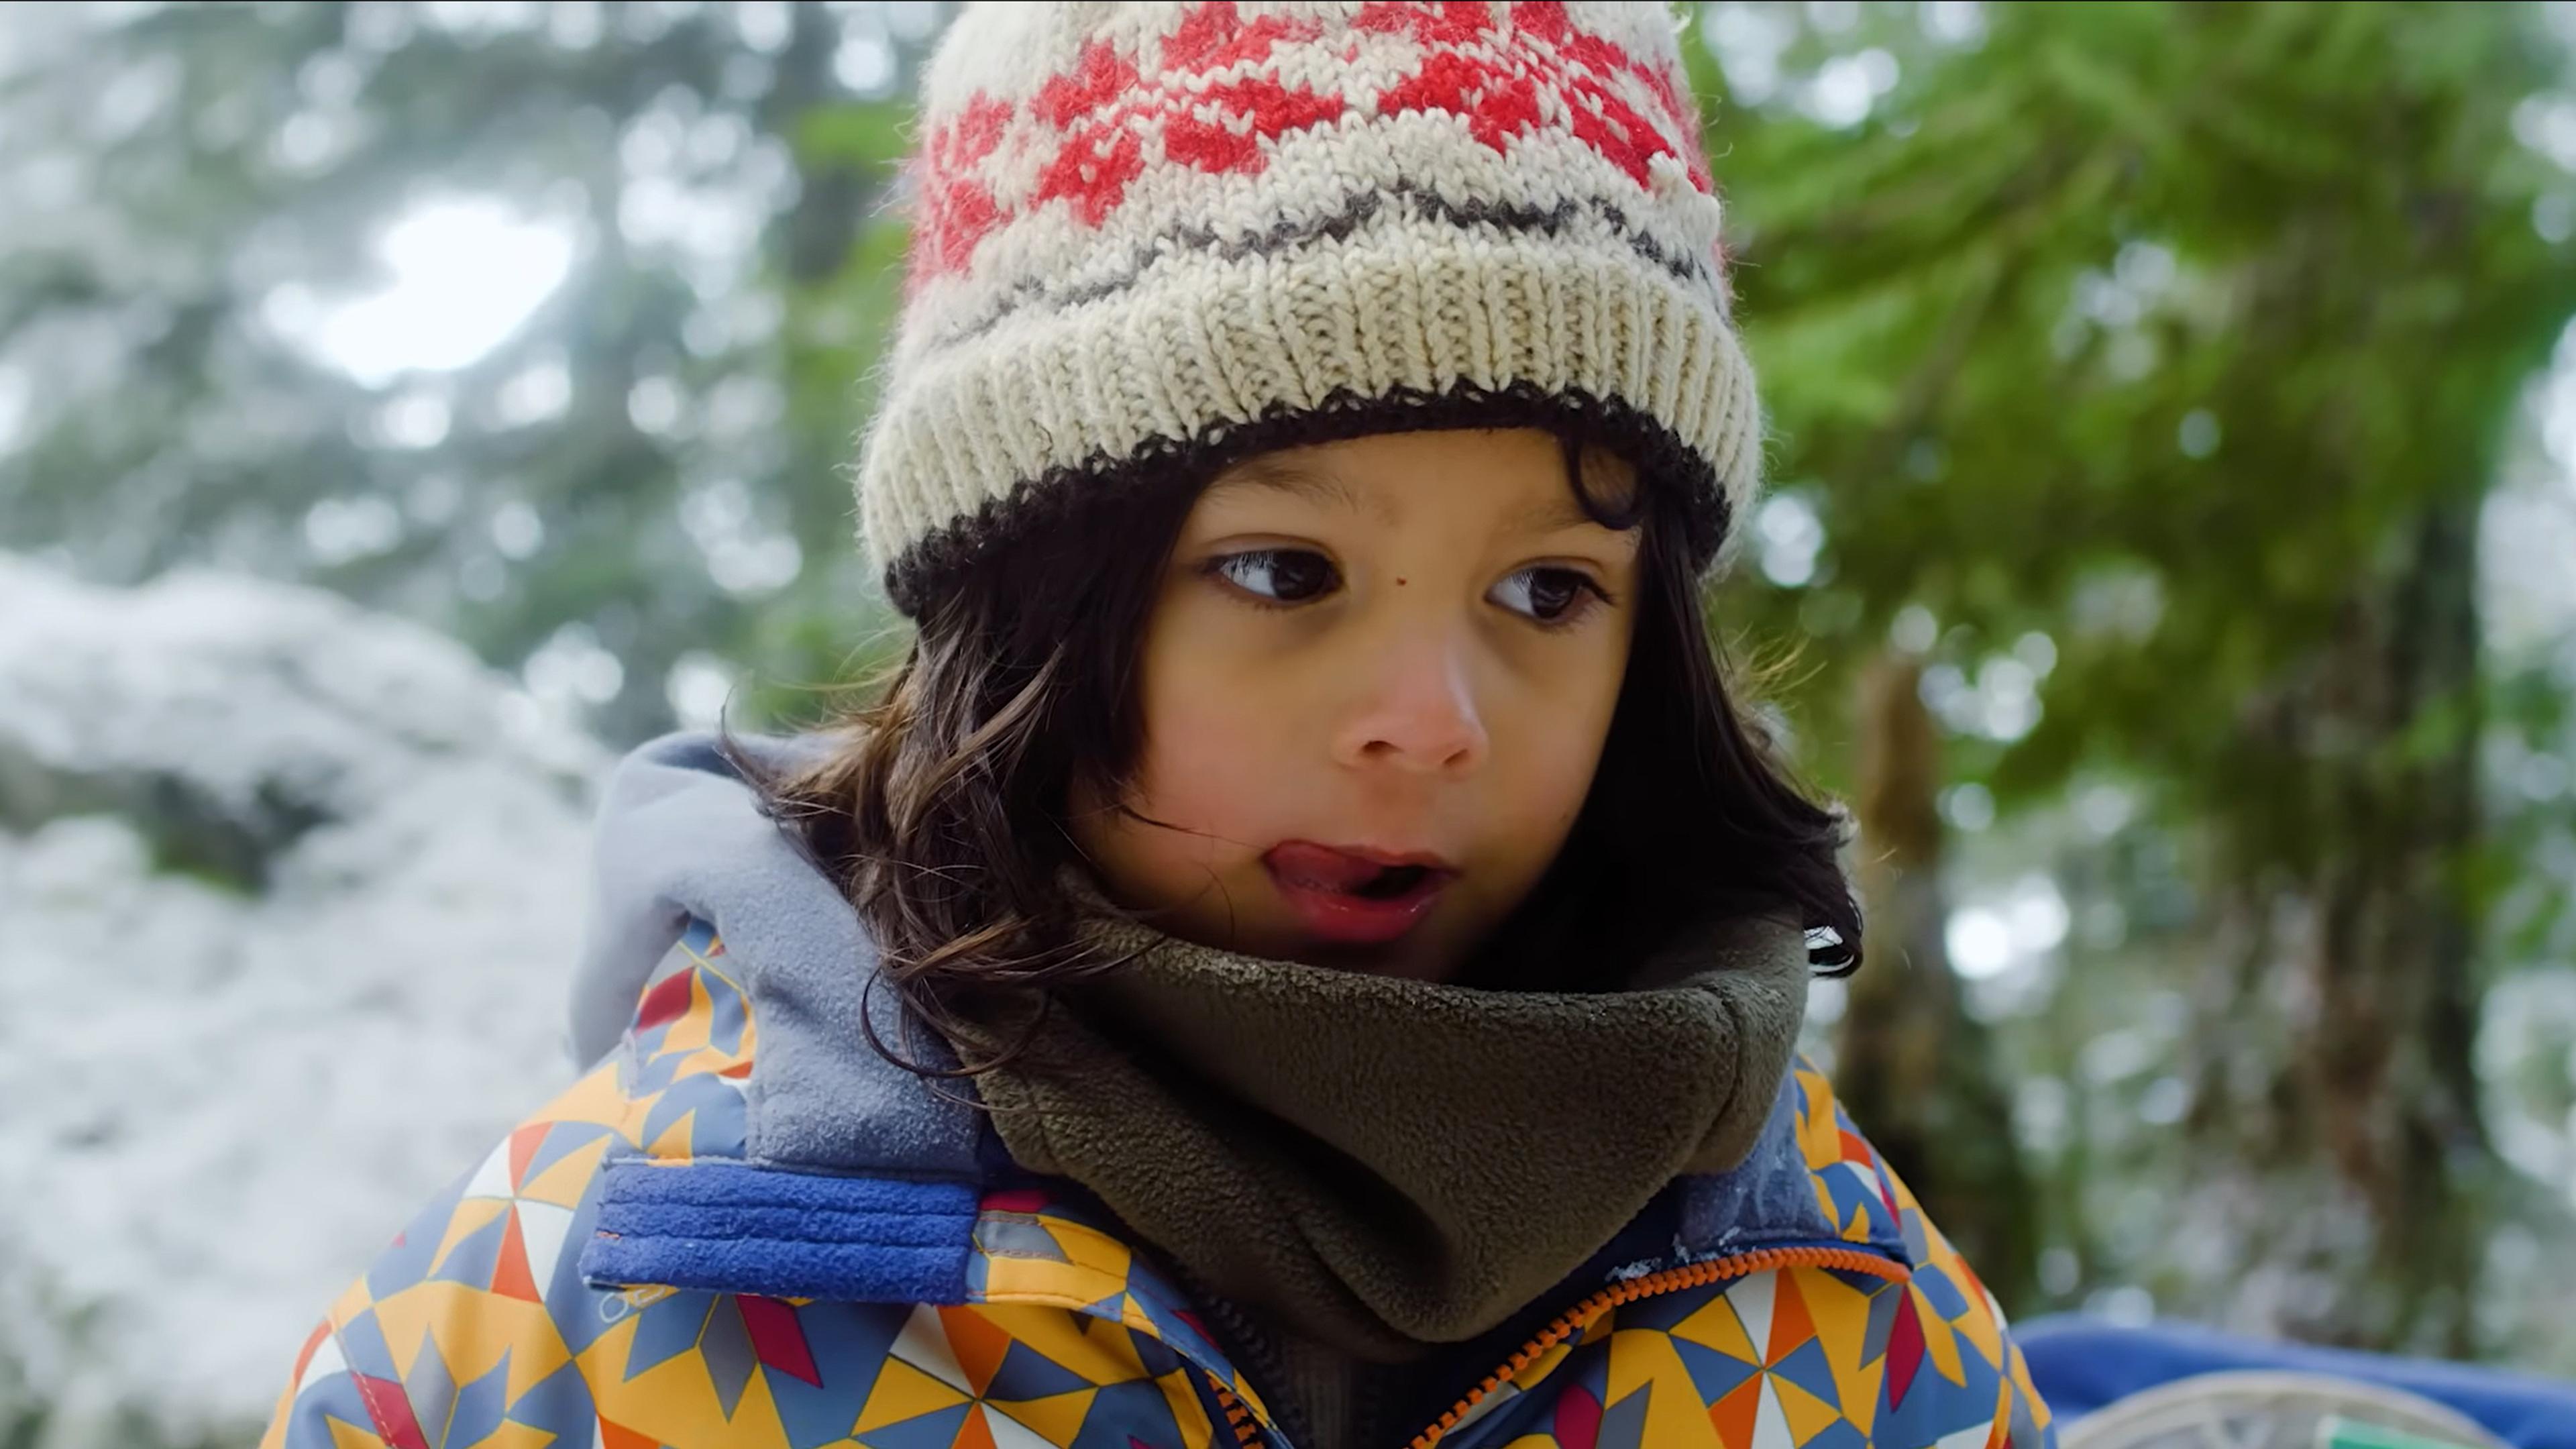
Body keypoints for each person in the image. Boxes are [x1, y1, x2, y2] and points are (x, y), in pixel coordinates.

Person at [260, 4, 2057, 1447]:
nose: (1430, 725)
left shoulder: (1836, 1308)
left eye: (1546, 594)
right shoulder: (604, 1306)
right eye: (1285, 574)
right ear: (1027, 604)